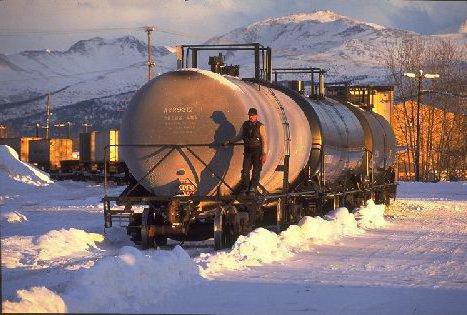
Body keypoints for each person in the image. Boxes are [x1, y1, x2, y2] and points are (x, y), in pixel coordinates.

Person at [223, 107, 267, 194]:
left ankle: (253, 187)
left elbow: (264, 140)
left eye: (253, 115)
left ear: (256, 116)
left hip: (257, 150)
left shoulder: (260, 126)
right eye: (250, 115)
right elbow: (240, 136)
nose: (251, 117)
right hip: (248, 150)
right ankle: (246, 187)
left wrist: (264, 153)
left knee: (256, 170)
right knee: (245, 170)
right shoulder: (245, 125)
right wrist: (230, 141)